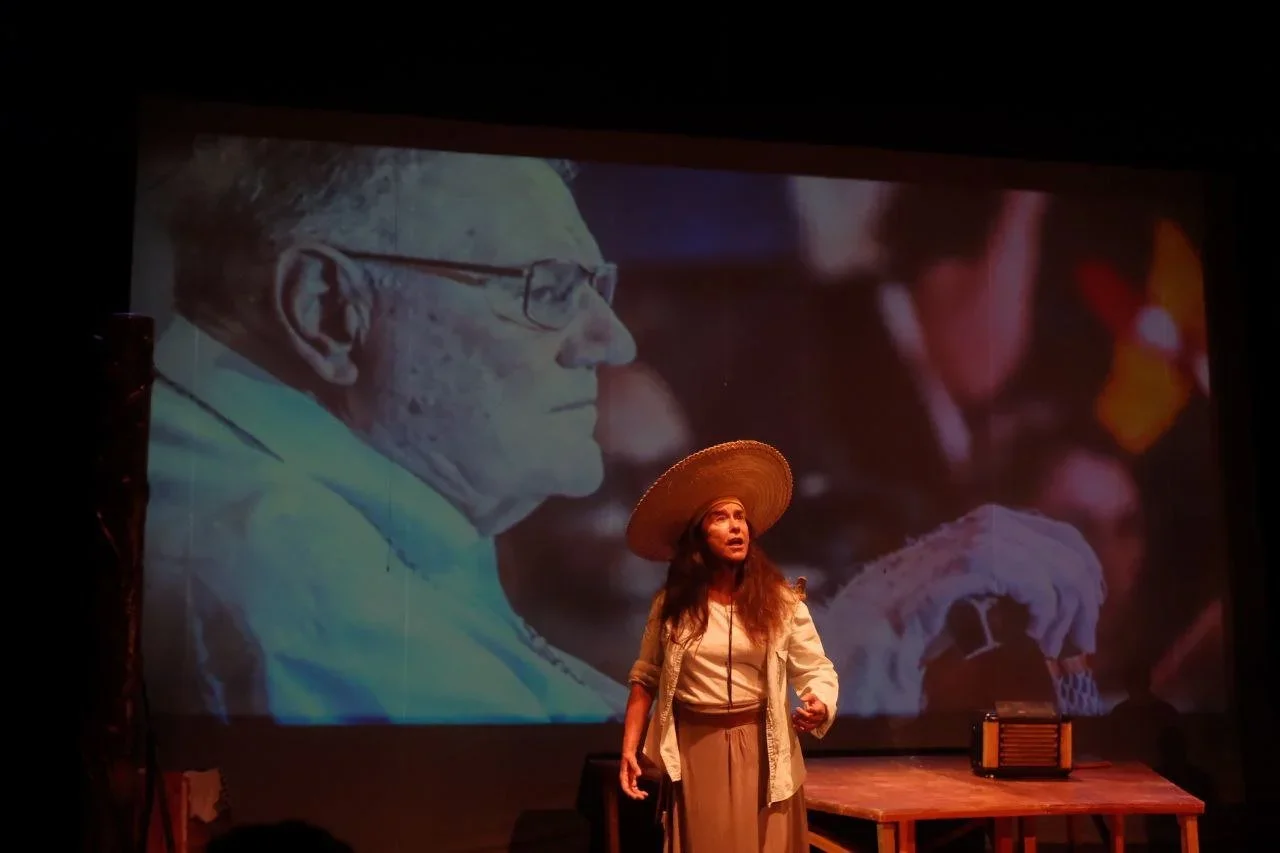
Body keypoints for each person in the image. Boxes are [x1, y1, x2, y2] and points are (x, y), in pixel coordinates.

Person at [618, 440, 839, 852]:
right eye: (720, 517)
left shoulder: (780, 602)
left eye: (740, 517)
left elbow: (815, 667)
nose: (736, 527)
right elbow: (645, 676)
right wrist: (630, 746)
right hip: (697, 748)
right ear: (699, 536)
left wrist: (820, 702)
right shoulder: (672, 607)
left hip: (764, 746)